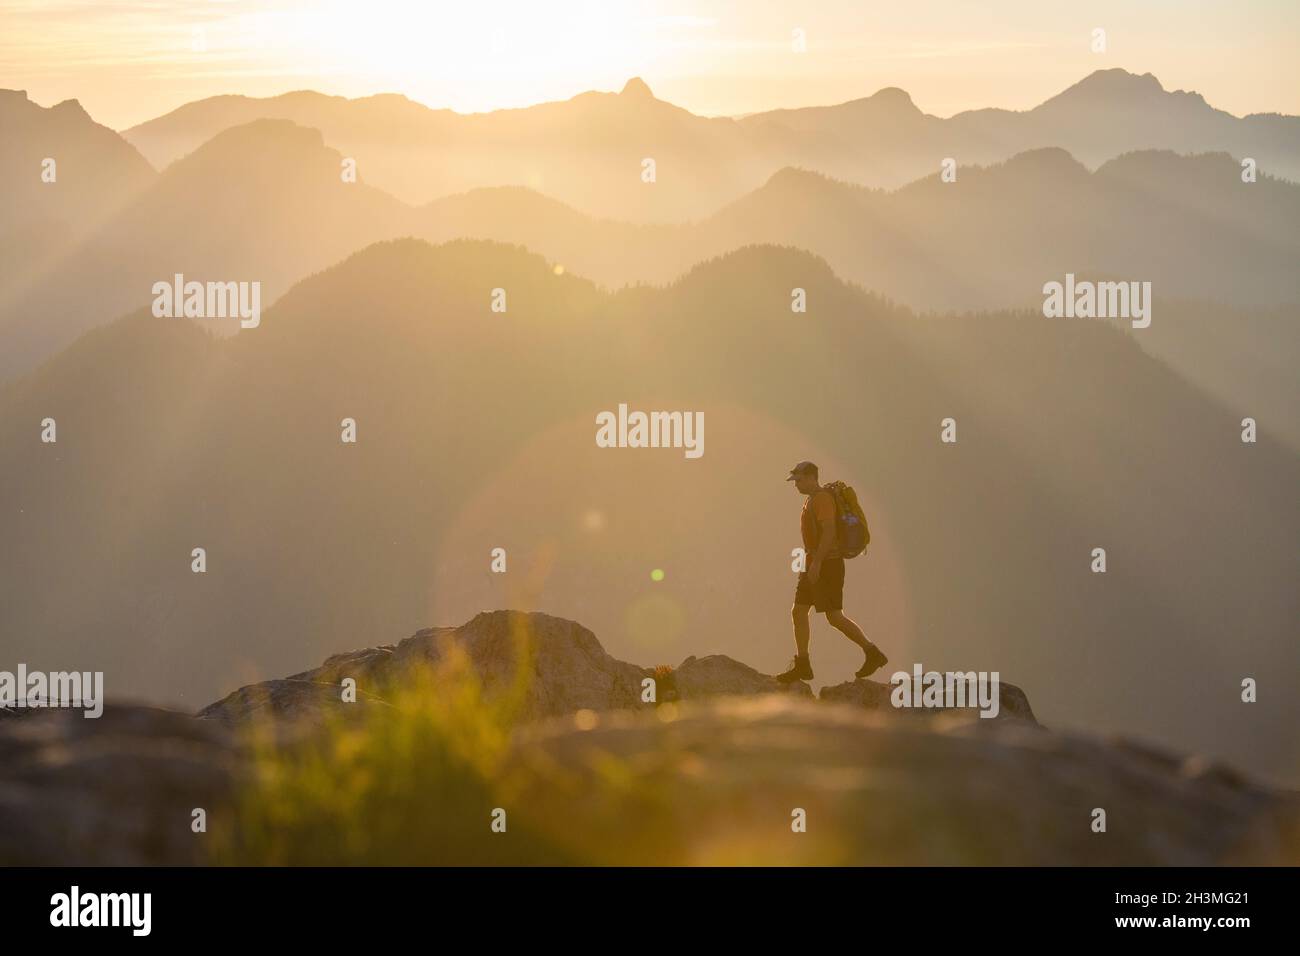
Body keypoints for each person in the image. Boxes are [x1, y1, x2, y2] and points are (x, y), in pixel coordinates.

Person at [776, 460, 888, 684]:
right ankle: (803, 665)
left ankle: (872, 653)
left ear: (810, 477)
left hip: (828, 564)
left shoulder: (823, 499)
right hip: (812, 562)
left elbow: (829, 532)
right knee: (798, 612)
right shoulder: (811, 500)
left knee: (834, 616)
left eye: (798, 480)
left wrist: (817, 563)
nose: (795, 485)